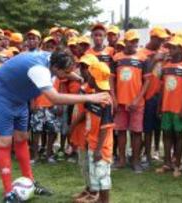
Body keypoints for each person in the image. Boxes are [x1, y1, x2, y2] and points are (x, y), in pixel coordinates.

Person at [0, 49, 110, 202]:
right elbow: (55, 98)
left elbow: (66, 72)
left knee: (22, 138)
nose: (67, 76)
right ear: (56, 68)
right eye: (66, 72)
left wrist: (79, 79)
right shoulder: (39, 70)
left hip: (18, 98)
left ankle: (30, 182)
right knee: (5, 142)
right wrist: (91, 97)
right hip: (1, 96)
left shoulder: (54, 59)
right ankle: (8, 192)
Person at [111, 29, 148, 173]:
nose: (134, 44)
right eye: (131, 41)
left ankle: (136, 161)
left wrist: (138, 99)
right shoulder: (116, 58)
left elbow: (147, 81)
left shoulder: (143, 58)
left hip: (137, 103)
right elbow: (111, 79)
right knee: (120, 132)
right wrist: (113, 97)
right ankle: (121, 160)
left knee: (136, 132)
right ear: (125, 42)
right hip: (120, 102)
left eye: (136, 41)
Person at [155, 36, 182, 177]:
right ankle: (167, 163)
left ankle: (177, 165)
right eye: (169, 47)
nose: (171, 49)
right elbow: (162, 88)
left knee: (178, 135)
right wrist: (159, 106)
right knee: (166, 134)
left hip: (178, 108)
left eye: (174, 47)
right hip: (166, 107)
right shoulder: (166, 66)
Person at [78, 62, 113, 203]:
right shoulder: (92, 96)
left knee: (103, 176)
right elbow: (86, 115)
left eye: (90, 76)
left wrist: (99, 149)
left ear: (93, 78)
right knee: (95, 175)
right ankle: (98, 199)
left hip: (102, 146)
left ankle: (105, 201)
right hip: (92, 142)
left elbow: (105, 127)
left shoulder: (105, 101)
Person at [70, 54, 99, 202]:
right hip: (80, 130)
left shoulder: (93, 89)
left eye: (86, 67)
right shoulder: (84, 86)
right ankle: (87, 187)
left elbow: (86, 112)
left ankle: (94, 191)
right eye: (81, 66)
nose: (83, 70)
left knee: (90, 162)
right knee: (83, 161)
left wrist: (73, 125)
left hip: (86, 129)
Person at [141, 26, 169, 164]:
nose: (162, 42)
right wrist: (155, 59)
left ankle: (157, 150)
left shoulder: (163, 51)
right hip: (147, 94)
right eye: (160, 40)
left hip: (161, 94)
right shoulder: (142, 53)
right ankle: (147, 154)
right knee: (147, 128)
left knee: (159, 126)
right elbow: (145, 71)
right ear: (153, 38)